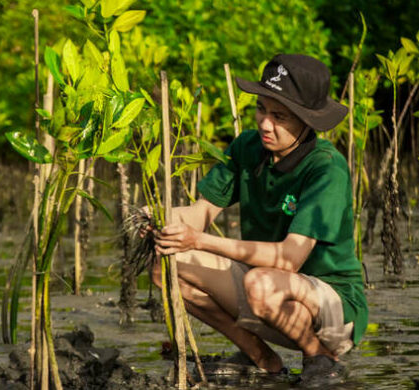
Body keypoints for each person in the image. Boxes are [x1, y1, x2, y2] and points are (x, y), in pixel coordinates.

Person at [151, 54, 368, 382]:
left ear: (306, 121)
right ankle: (261, 357)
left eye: (280, 116)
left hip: (330, 306)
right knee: (165, 267)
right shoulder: (247, 147)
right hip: (265, 289)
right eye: (262, 109)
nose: (265, 124)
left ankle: (319, 356)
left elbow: (289, 259)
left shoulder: (327, 168)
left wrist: (199, 241)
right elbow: (200, 213)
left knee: (260, 283)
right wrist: (156, 218)